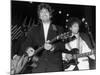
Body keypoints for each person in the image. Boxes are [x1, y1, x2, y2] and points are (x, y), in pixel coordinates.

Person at [13, 3, 67, 74]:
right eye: (42, 12)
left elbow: (62, 46)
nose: (44, 13)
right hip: (37, 67)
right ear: (39, 16)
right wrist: (28, 49)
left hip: (55, 66)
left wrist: (53, 47)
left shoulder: (58, 29)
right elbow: (25, 44)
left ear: (50, 15)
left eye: (46, 11)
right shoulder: (33, 29)